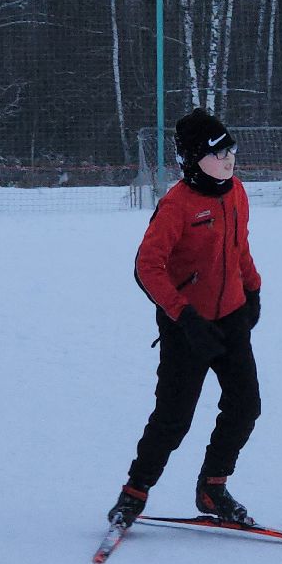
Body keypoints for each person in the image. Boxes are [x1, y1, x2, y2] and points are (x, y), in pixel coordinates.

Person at [108, 108, 264, 529]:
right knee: (174, 418)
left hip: (231, 317)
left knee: (245, 406)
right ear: (195, 159)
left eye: (231, 149)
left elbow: (239, 246)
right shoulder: (176, 205)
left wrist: (252, 289)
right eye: (218, 153)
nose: (229, 159)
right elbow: (147, 267)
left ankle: (213, 487)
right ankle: (134, 493)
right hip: (186, 328)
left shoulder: (236, 192)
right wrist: (184, 316)